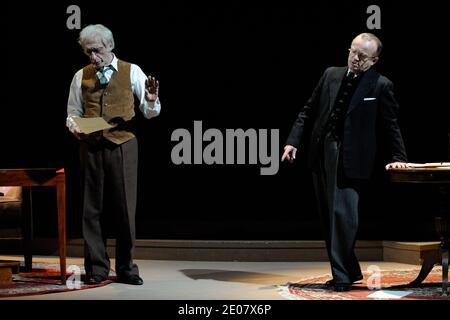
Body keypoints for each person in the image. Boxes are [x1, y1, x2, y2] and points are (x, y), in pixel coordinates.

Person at [281, 33, 410, 292]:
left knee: (344, 216)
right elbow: (308, 109)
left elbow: (390, 124)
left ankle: (341, 276)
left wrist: (399, 157)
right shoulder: (331, 74)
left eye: (363, 57)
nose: (355, 59)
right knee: (329, 216)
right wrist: (293, 141)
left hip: (353, 156)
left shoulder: (380, 85)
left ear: (374, 61)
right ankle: (348, 270)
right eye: (353, 52)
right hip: (322, 151)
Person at [66, 24, 161, 285]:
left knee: (124, 208)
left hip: (123, 144)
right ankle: (97, 268)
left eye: (96, 51)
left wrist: (151, 99)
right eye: (88, 53)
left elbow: (150, 112)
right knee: (91, 209)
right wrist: (76, 127)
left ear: (109, 46)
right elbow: (72, 112)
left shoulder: (132, 71)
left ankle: (126, 268)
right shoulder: (81, 76)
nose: (93, 58)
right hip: (91, 146)